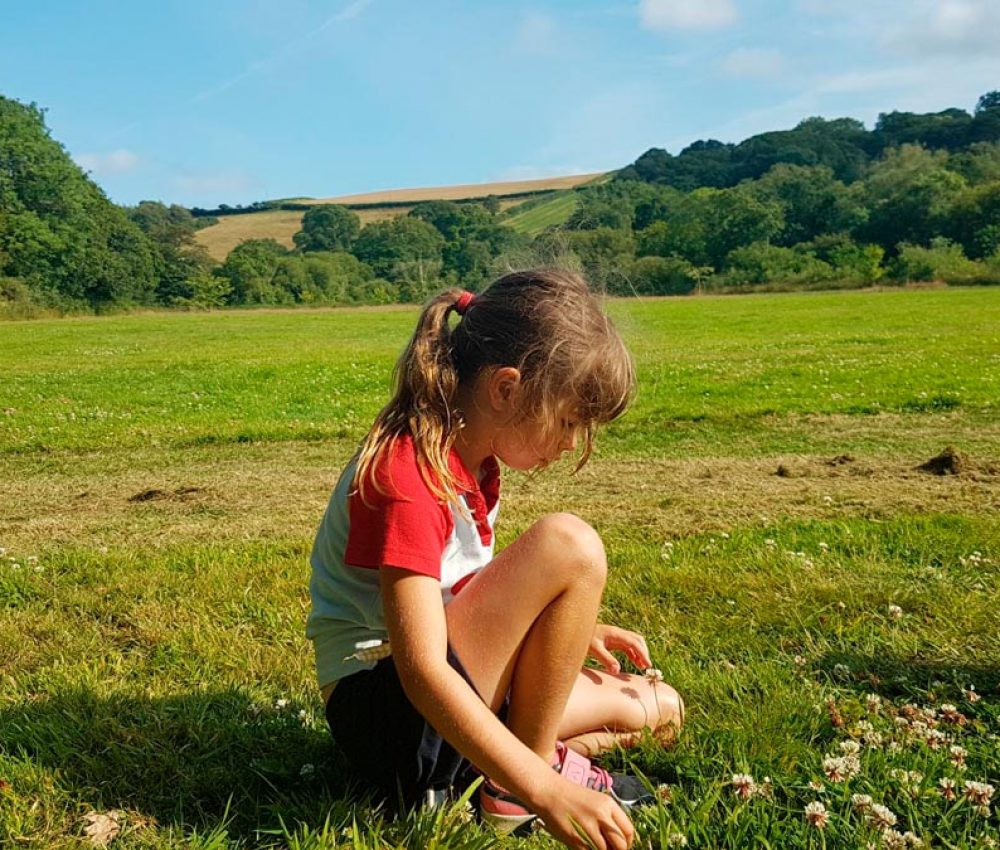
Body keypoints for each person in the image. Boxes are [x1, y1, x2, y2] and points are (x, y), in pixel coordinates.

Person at [307, 268, 683, 850]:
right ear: (506, 389)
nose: (570, 445)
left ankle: (502, 763)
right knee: (570, 542)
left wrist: (564, 628)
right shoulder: (408, 473)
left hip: (433, 700)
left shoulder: (468, 457)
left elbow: (454, 589)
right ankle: (519, 782)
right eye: (568, 422)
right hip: (390, 720)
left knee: (659, 707)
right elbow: (424, 671)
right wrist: (543, 789)